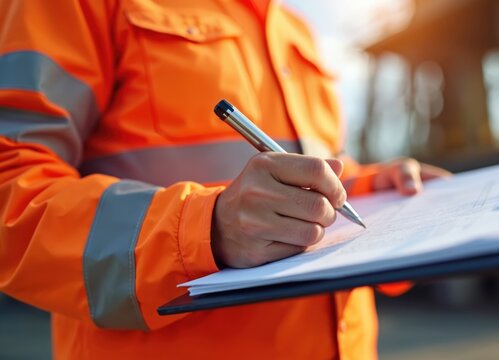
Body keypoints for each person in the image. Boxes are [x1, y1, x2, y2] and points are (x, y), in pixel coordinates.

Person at [0, 0, 448, 358]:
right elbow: (10, 191)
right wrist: (206, 228)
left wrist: (371, 187)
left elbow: (313, 170)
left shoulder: (293, 27)